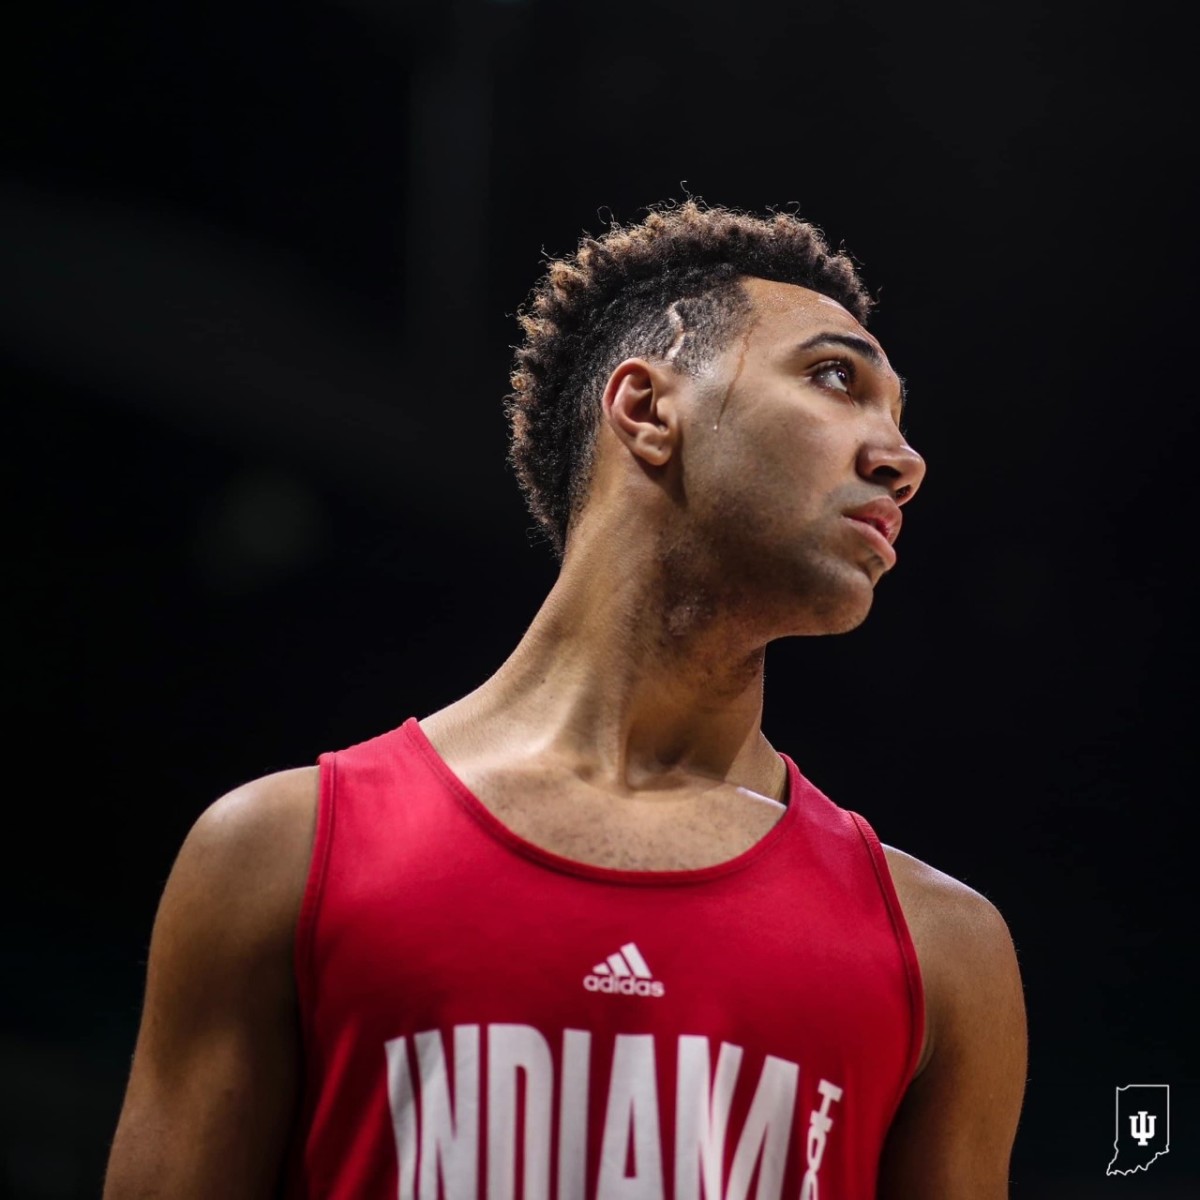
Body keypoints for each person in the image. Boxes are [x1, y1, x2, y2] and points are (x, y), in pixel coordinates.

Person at [103, 200, 1027, 1199]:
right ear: (646, 408)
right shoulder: (275, 855)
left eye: (898, 416)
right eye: (837, 378)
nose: (902, 457)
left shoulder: (942, 951)